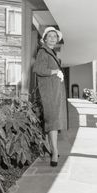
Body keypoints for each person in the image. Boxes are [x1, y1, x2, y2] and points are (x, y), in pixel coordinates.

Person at [33, 27, 67, 167]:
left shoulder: (51, 52)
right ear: (45, 39)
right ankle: (55, 152)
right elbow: (38, 69)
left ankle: (52, 149)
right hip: (49, 92)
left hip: (55, 91)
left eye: (55, 36)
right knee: (53, 120)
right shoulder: (43, 51)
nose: (53, 38)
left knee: (53, 120)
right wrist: (54, 71)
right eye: (50, 36)